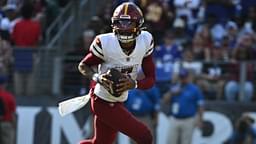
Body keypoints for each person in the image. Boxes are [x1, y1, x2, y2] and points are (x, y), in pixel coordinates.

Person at [78, 2, 155, 144]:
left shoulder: (145, 41)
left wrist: (135, 84)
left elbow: (151, 79)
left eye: (129, 23)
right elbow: (83, 66)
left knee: (100, 143)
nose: (124, 28)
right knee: (145, 136)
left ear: (138, 25)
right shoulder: (105, 42)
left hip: (118, 100)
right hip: (102, 101)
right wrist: (98, 77)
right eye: (120, 23)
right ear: (114, 24)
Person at [163, 68, 204, 144]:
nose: (182, 79)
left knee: (186, 142)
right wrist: (172, 92)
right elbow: (165, 101)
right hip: (175, 119)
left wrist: (200, 119)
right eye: (181, 77)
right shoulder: (174, 88)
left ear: (188, 77)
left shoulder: (194, 89)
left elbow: (200, 105)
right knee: (170, 141)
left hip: (188, 120)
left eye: (184, 77)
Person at [0, 76, 16, 144]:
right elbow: (12, 112)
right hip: (6, 123)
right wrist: (13, 124)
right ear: (4, 84)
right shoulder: (9, 96)